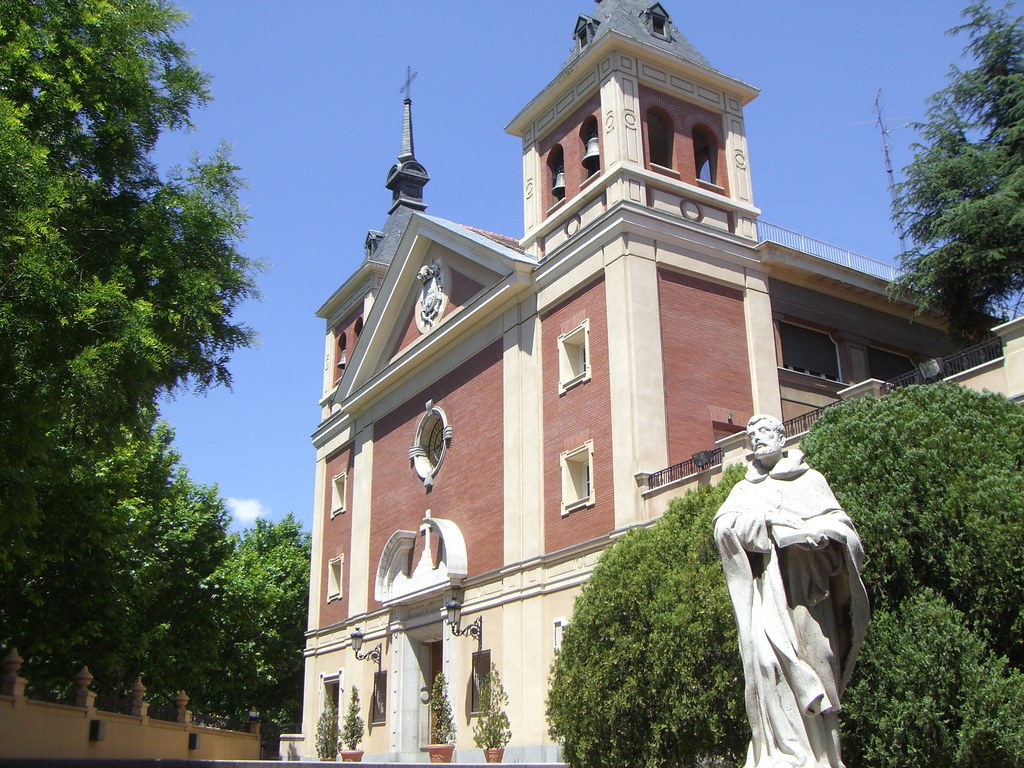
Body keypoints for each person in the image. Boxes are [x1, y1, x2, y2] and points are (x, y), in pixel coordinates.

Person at [714, 415, 869, 768]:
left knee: (821, 663)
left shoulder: (810, 480)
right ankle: (780, 754)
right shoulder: (745, 489)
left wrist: (820, 535)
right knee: (767, 664)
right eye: (751, 435)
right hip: (769, 594)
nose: (757, 440)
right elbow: (723, 528)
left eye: (764, 433)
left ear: (782, 436)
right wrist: (762, 523)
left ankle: (825, 757)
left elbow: (846, 531)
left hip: (811, 595)